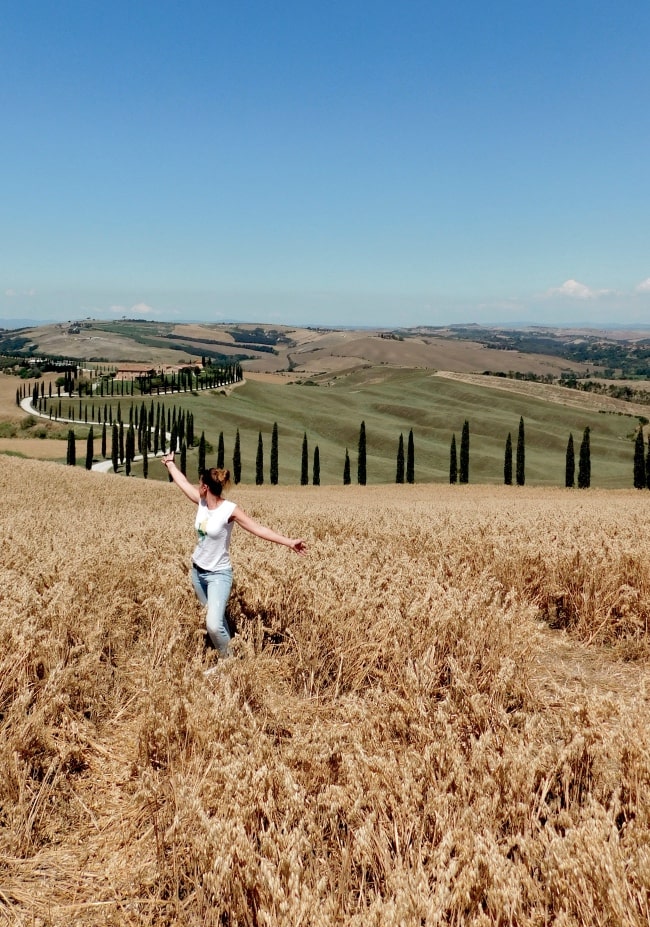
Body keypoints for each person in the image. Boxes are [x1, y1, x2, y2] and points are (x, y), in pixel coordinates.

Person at [160, 451, 307, 657]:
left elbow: (258, 529)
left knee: (212, 625)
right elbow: (182, 482)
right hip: (197, 573)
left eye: (199, 483)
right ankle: (228, 655)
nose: (196, 486)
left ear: (205, 487)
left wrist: (289, 542)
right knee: (214, 620)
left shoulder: (229, 510)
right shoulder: (201, 502)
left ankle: (230, 663)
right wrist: (170, 464)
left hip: (219, 574)